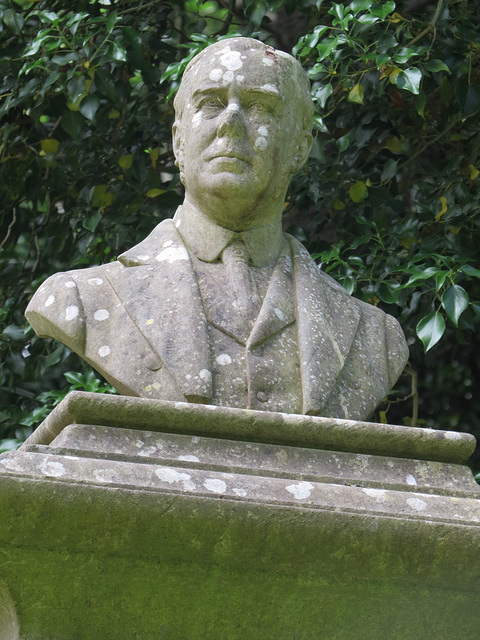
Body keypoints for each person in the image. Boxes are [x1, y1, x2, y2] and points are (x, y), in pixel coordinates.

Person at [25, 37, 408, 421]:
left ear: (300, 147)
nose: (232, 122)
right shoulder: (81, 299)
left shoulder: (375, 336)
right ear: (178, 140)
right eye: (211, 103)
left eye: (261, 106)